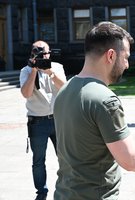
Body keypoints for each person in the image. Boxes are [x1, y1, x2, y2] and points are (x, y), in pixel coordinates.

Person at [53, 22, 135, 200]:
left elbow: (93, 145)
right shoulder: (106, 100)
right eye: (125, 57)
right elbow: (131, 161)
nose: (126, 64)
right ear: (110, 55)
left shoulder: (65, 89)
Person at [19, 40, 66, 200]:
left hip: (57, 120)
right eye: (38, 54)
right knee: (38, 160)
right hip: (37, 123)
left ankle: (66, 187)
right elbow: (26, 93)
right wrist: (33, 70)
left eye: (44, 53)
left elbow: (64, 88)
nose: (42, 56)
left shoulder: (57, 67)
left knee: (64, 156)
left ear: (49, 52)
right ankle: (41, 192)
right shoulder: (25, 71)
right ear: (32, 55)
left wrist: (49, 72)